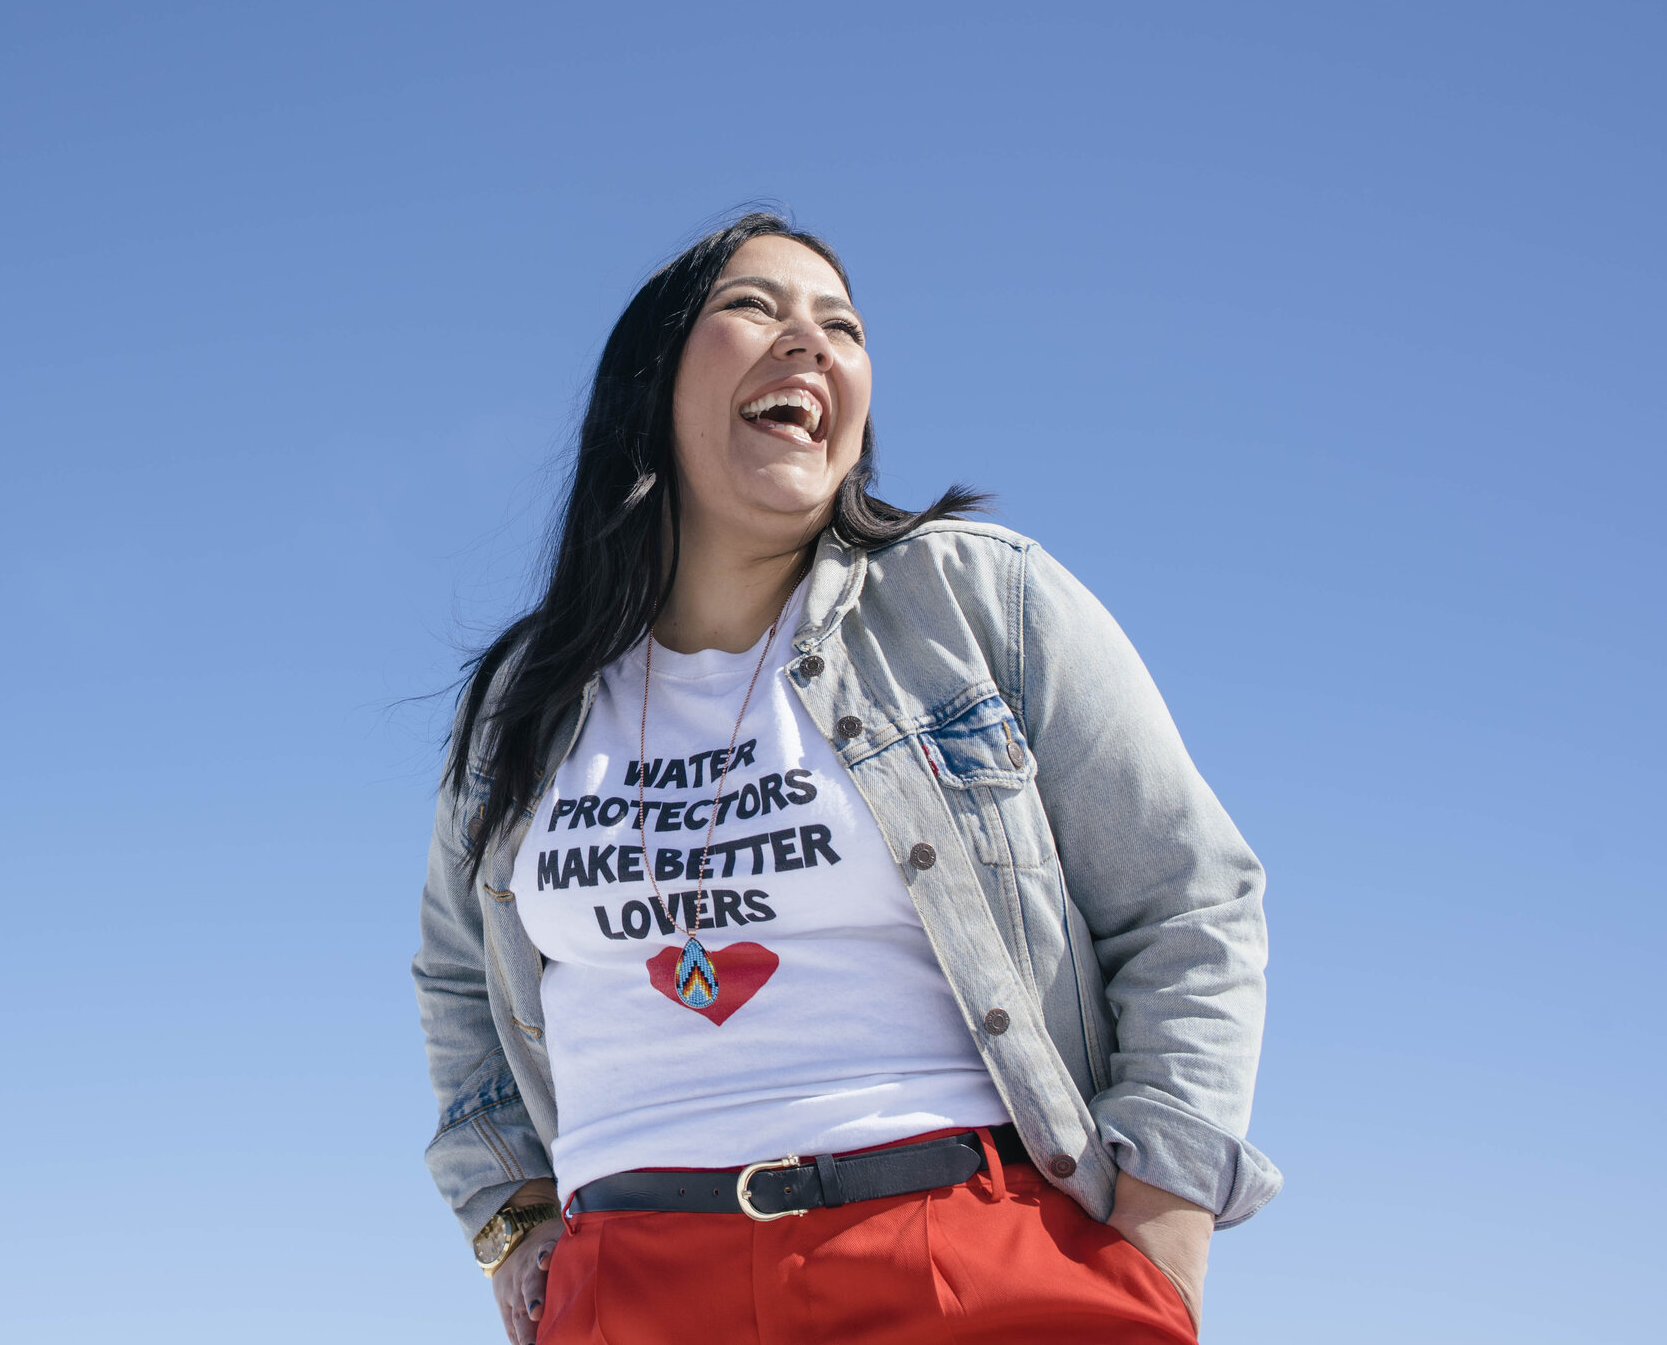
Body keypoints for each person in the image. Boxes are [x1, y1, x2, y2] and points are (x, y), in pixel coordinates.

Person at [413, 213, 1276, 1344]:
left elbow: (1187, 901)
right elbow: (457, 978)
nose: (808, 343)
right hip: (628, 1281)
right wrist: (512, 1220)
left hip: (961, 1251)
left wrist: (1163, 1225)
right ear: (652, 376)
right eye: (755, 307)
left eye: (842, 327)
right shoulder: (527, 696)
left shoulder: (974, 601)